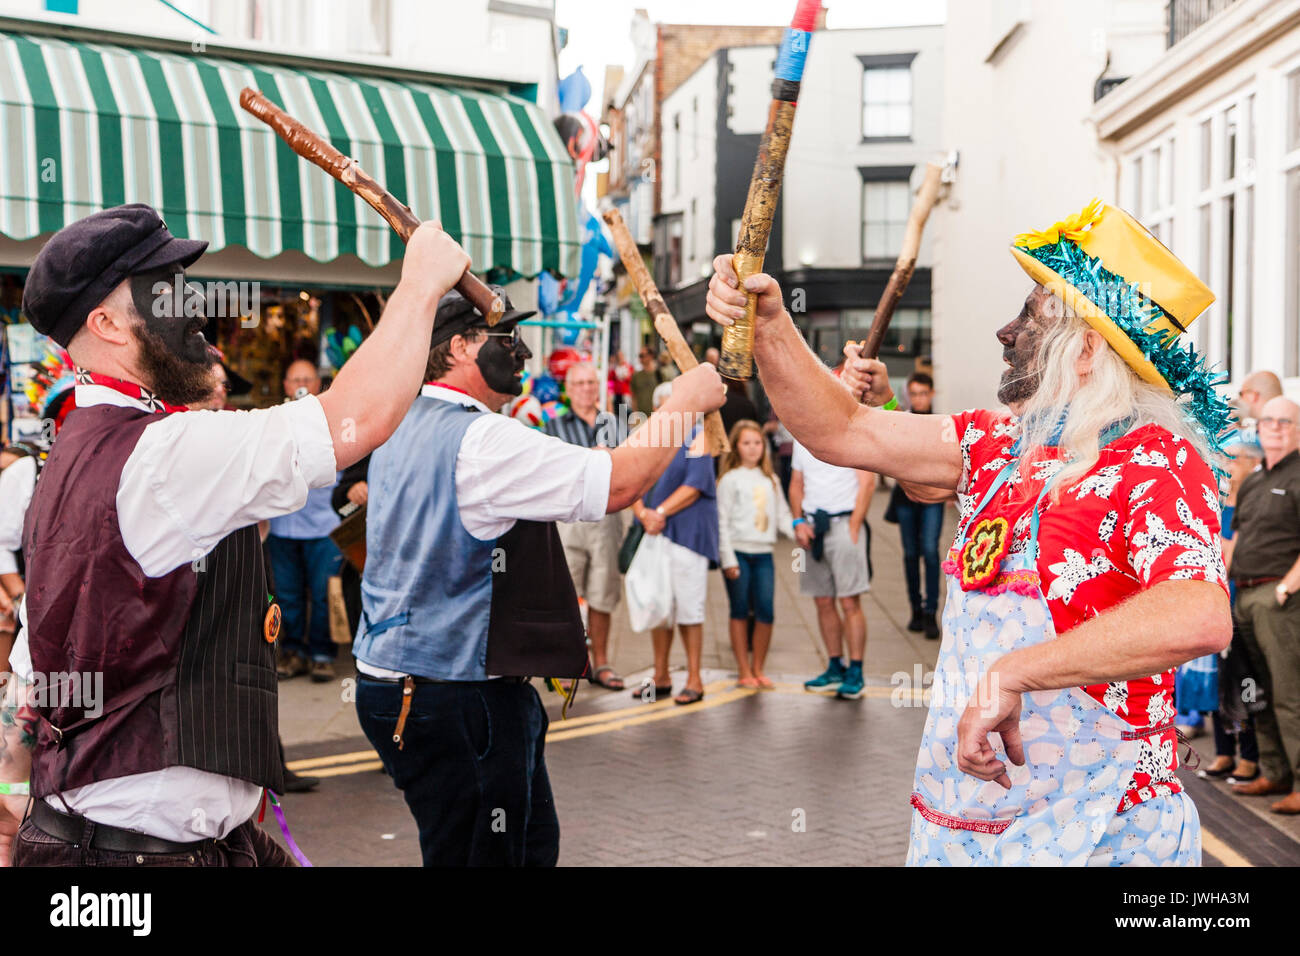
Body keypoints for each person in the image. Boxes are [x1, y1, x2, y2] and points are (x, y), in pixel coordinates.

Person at [705, 199, 1232, 865]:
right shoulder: (993, 442)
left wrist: (1015, 673)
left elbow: (1199, 613)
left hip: (1099, 832)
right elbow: (842, 428)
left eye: (1032, 316)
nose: (1005, 332)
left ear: (1087, 349)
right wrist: (773, 326)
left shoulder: (1154, 459)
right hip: (963, 819)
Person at [0, 202, 470, 866]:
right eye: (167, 290)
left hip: (154, 845)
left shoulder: (72, 451)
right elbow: (354, 420)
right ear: (106, 323)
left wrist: (9, 797)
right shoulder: (161, 452)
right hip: (136, 859)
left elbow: (32, 666)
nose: (196, 309)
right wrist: (421, 282)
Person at [352, 290, 725, 866]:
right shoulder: (482, 440)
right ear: (458, 348)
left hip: (400, 682)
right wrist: (683, 402)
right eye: (506, 338)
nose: (522, 351)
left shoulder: (396, 423)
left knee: (517, 846)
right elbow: (618, 482)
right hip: (454, 693)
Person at [1226, 395, 1300, 814]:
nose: (1274, 427)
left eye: (1284, 421)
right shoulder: (1253, 478)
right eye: (1268, 420)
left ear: (1297, 428)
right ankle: (1274, 772)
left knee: (1291, 694)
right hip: (1244, 597)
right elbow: (1236, 539)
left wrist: (1285, 590)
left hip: (1280, 600)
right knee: (1258, 692)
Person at [630, 381, 719, 706]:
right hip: (656, 532)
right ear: (656, 410)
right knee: (659, 604)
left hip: (688, 534)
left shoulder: (698, 436)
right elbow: (630, 479)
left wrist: (659, 512)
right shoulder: (646, 438)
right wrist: (643, 514)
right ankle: (661, 675)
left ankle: (695, 678)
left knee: (688, 606)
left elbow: (695, 485)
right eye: (668, 406)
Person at [544, 361, 627, 691]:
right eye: (579, 383)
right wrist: (590, 460)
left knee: (602, 593)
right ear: (568, 388)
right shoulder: (553, 426)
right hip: (569, 519)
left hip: (607, 517)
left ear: (599, 387)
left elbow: (628, 468)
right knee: (566, 593)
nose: (586, 389)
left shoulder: (615, 424)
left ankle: (601, 663)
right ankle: (567, 664)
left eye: (591, 383)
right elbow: (551, 471)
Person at [268, 359, 345, 683]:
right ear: (286, 385)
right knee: (286, 595)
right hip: (282, 526)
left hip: (324, 524)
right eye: (294, 378)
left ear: (318, 384)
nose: (300, 383)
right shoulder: (271, 419)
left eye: (306, 378)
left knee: (326, 592)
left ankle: (322, 654)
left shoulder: (334, 419)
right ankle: (293, 651)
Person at [789, 434, 874, 701]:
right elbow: (796, 484)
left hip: (844, 524)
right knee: (823, 601)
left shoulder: (848, 435)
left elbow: (867, 483)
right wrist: (797, 522)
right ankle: (835, 667)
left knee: (850, 602)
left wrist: (854, 526)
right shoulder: (800, 439)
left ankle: (856, 671)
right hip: (812, 527)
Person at [717, 419, 794, 688]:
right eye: (746, 443)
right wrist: (727, 559)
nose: (753, 449)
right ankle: (743, 669)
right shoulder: (729, 479)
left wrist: (800, 532)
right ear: (737, 447)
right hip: (738, 553)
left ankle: (758, 667)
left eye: (757, 443)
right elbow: (721, 522)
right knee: (739, 611)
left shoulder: (771, 479)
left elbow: (783, 515)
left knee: (765, 611)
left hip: (764, 554)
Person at [890, 372, 944, 639]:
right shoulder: (904, 420)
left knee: (930, 552)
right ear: (909, 395)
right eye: (915, 393)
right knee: (911, 553)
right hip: (905, 497)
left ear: (931, 394)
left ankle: (930, 610)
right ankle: (915, 609)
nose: (920, 398)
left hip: (932, 497)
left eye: (924, 393)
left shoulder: (941, 423)